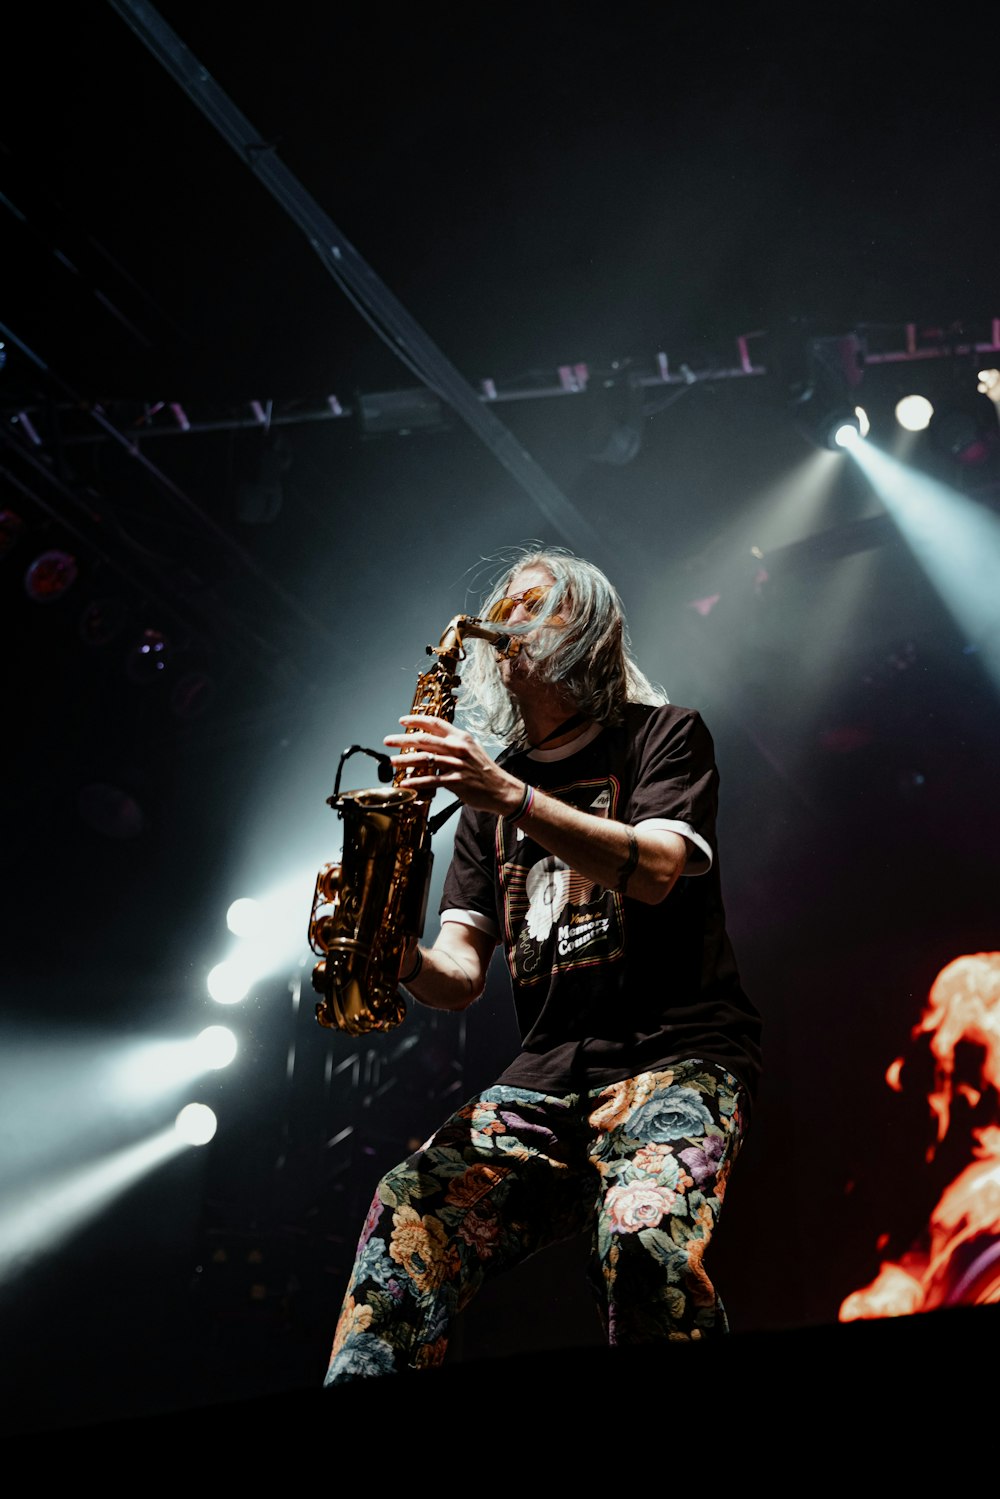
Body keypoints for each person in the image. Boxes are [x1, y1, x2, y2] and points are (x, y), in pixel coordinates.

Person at [323, 546, 763, 1384]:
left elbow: (659, 868)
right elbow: (459, 974)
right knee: (407, 1209)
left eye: (532, 603)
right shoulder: (489, 790)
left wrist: (509, 796)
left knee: (643, 1239)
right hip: (545, 1079)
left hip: (678, 1058)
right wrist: (396, 951)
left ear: (589, 631)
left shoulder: (665, 735)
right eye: (503, 605)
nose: (505, 622)